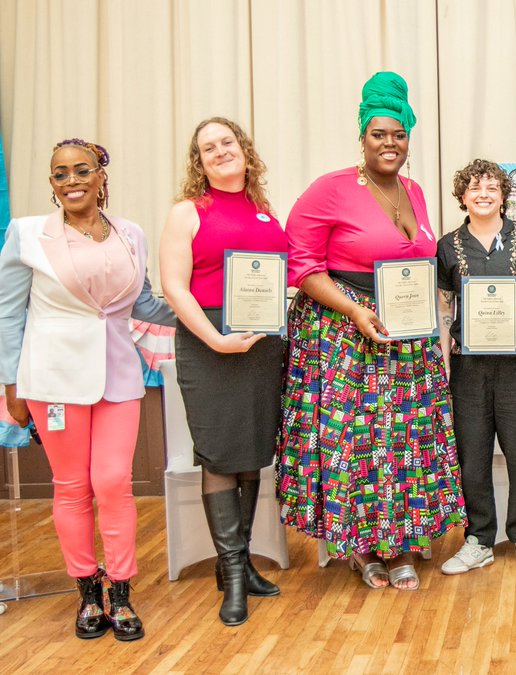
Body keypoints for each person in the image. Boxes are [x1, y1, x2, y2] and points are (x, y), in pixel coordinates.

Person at [277, 72, 465, 591]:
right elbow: (302, 264)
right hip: (345, 334)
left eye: (399, 134)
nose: (390, 143)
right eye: (379, 134)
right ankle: (361, 548)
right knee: (359, 441)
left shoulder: (415, 190)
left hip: (409, 333)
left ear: (409, 137)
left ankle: (403, 541)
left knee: (407, 437)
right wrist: (355, 311)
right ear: (362, 137)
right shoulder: (329, 189)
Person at [0, 139, 174, 641]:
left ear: (102, 176)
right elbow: (9, 314)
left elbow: (142, 304)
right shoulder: (27, 235)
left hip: (118, 375)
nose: (72, 180)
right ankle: (87, 592)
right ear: (52, 184)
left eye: (82, 170)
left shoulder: (131, 235)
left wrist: (203, 311)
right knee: (72, 486)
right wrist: (10, 385)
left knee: (114, 481)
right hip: (51, 381)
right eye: (60, 174)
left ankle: (121, 590)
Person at [159, 117, 287, 625]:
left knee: (252, 451)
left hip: (260, 345)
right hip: (208, 342)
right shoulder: (187, 212)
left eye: (226, 142)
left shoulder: (264, 210)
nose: (219, 152)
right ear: (199, 160)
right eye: (207, 148)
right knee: (218, 455)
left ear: (243, 148)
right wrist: (214, 339)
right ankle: (231, 574)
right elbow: (173, 286)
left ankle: (246, 562)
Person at [435, 159, 516, 575]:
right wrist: (443, 361)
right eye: (474, 188)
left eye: (491, 188)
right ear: (462, 196)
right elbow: (445, 306)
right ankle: (479, 538)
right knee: (473, 455)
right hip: (469, 367)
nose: (483, 195)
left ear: (504, 195)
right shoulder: (448, 245)